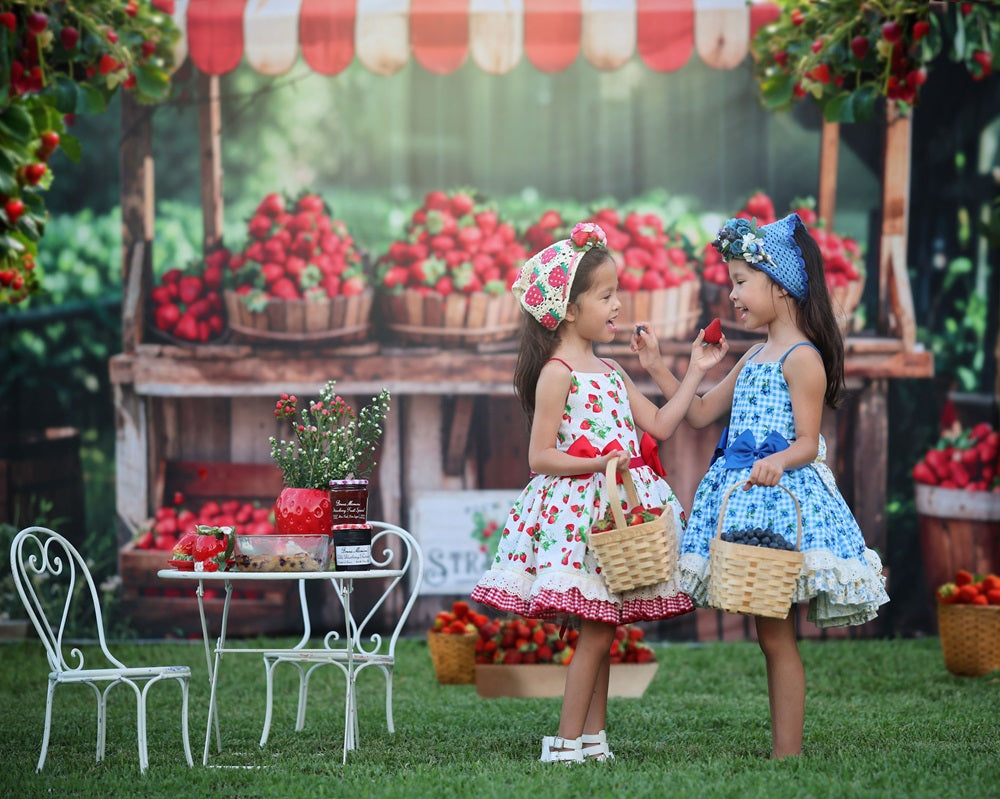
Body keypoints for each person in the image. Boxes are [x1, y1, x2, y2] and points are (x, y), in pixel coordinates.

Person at [635, 213, 889, 759]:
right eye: (731, 282)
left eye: (742, 282)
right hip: (745, 504)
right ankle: (784, 749)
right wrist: (664, 366)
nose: (733, 295)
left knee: (775, 632)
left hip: (780, 506)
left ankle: (787, 753)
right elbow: (700, 415)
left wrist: (777, 460)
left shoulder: (803, 360)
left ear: (782, 284)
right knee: (767, 632)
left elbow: (806, 441)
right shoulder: (753, 356)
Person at [471, 221, 727, 763]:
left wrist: (696, 371)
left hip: (615, 512)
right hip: (577, 516)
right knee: (596, 628)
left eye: (618, 293)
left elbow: (659, 426)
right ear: (568, 309)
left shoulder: (610, 370)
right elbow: (540, 456)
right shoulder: (557, 373)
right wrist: (598, 461)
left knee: (604, 624)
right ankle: (565, 741)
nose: (618, 305)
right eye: (606, 295)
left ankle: (593, 739)